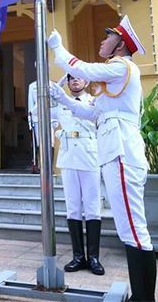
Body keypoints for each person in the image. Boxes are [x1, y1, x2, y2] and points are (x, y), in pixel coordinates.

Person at [47, 15, 156, 301]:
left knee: (134, 230)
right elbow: (92, 112)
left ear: (120, 44)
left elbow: (83, 69)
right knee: (129, 229)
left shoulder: (121, 66)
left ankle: (145, 299)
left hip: (121, 153)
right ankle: (141, 297)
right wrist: (62, 99)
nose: (102, 40)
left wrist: (58, 49)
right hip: (115, 155)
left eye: (108, 36)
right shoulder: (115, 79)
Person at [55, 74, 104, 276]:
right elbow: (36, 113)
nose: (75, 81)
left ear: (86, 82)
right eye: (71, 78)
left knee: (92, 207)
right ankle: (78, 257)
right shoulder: (59, 104)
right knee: (73, 207)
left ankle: (93, 257)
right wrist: (56, 87)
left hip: (90, 156)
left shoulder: (94, 102)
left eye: (79, 78)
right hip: (68, 157)